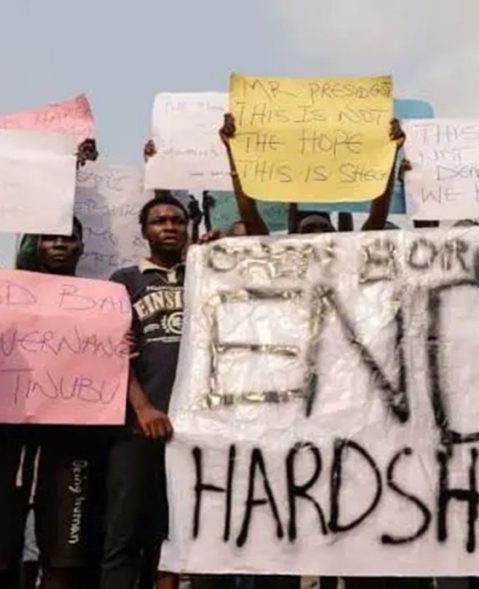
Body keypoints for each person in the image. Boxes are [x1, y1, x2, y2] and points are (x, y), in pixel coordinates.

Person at [0, 218, 109, 589]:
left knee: (63, 555)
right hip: (5, 440)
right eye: (49, 238)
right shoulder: (5, 294)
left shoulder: (103, 301)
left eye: (68, 238)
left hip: (70, 443)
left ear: (81, 247)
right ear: (34, 246)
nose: (59, 244)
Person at [102, 196, 211, 589]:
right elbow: (112, 351)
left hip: (196, 428)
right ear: (144, 231)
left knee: (180, 536)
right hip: (139, 426)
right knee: (125, 535)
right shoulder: (125, 280)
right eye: (159, 221)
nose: (169, 227)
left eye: (177, 221)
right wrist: (143, 407)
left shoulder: (207, 273)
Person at [218, 113, 405, 236]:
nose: (318, 234)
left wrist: (390, 153)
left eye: (325, 228)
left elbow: (377, 218)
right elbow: (249, 213)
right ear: (294, 233)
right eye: (309, 229)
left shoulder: (350, 258)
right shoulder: (277, 254)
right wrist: (234, 151)